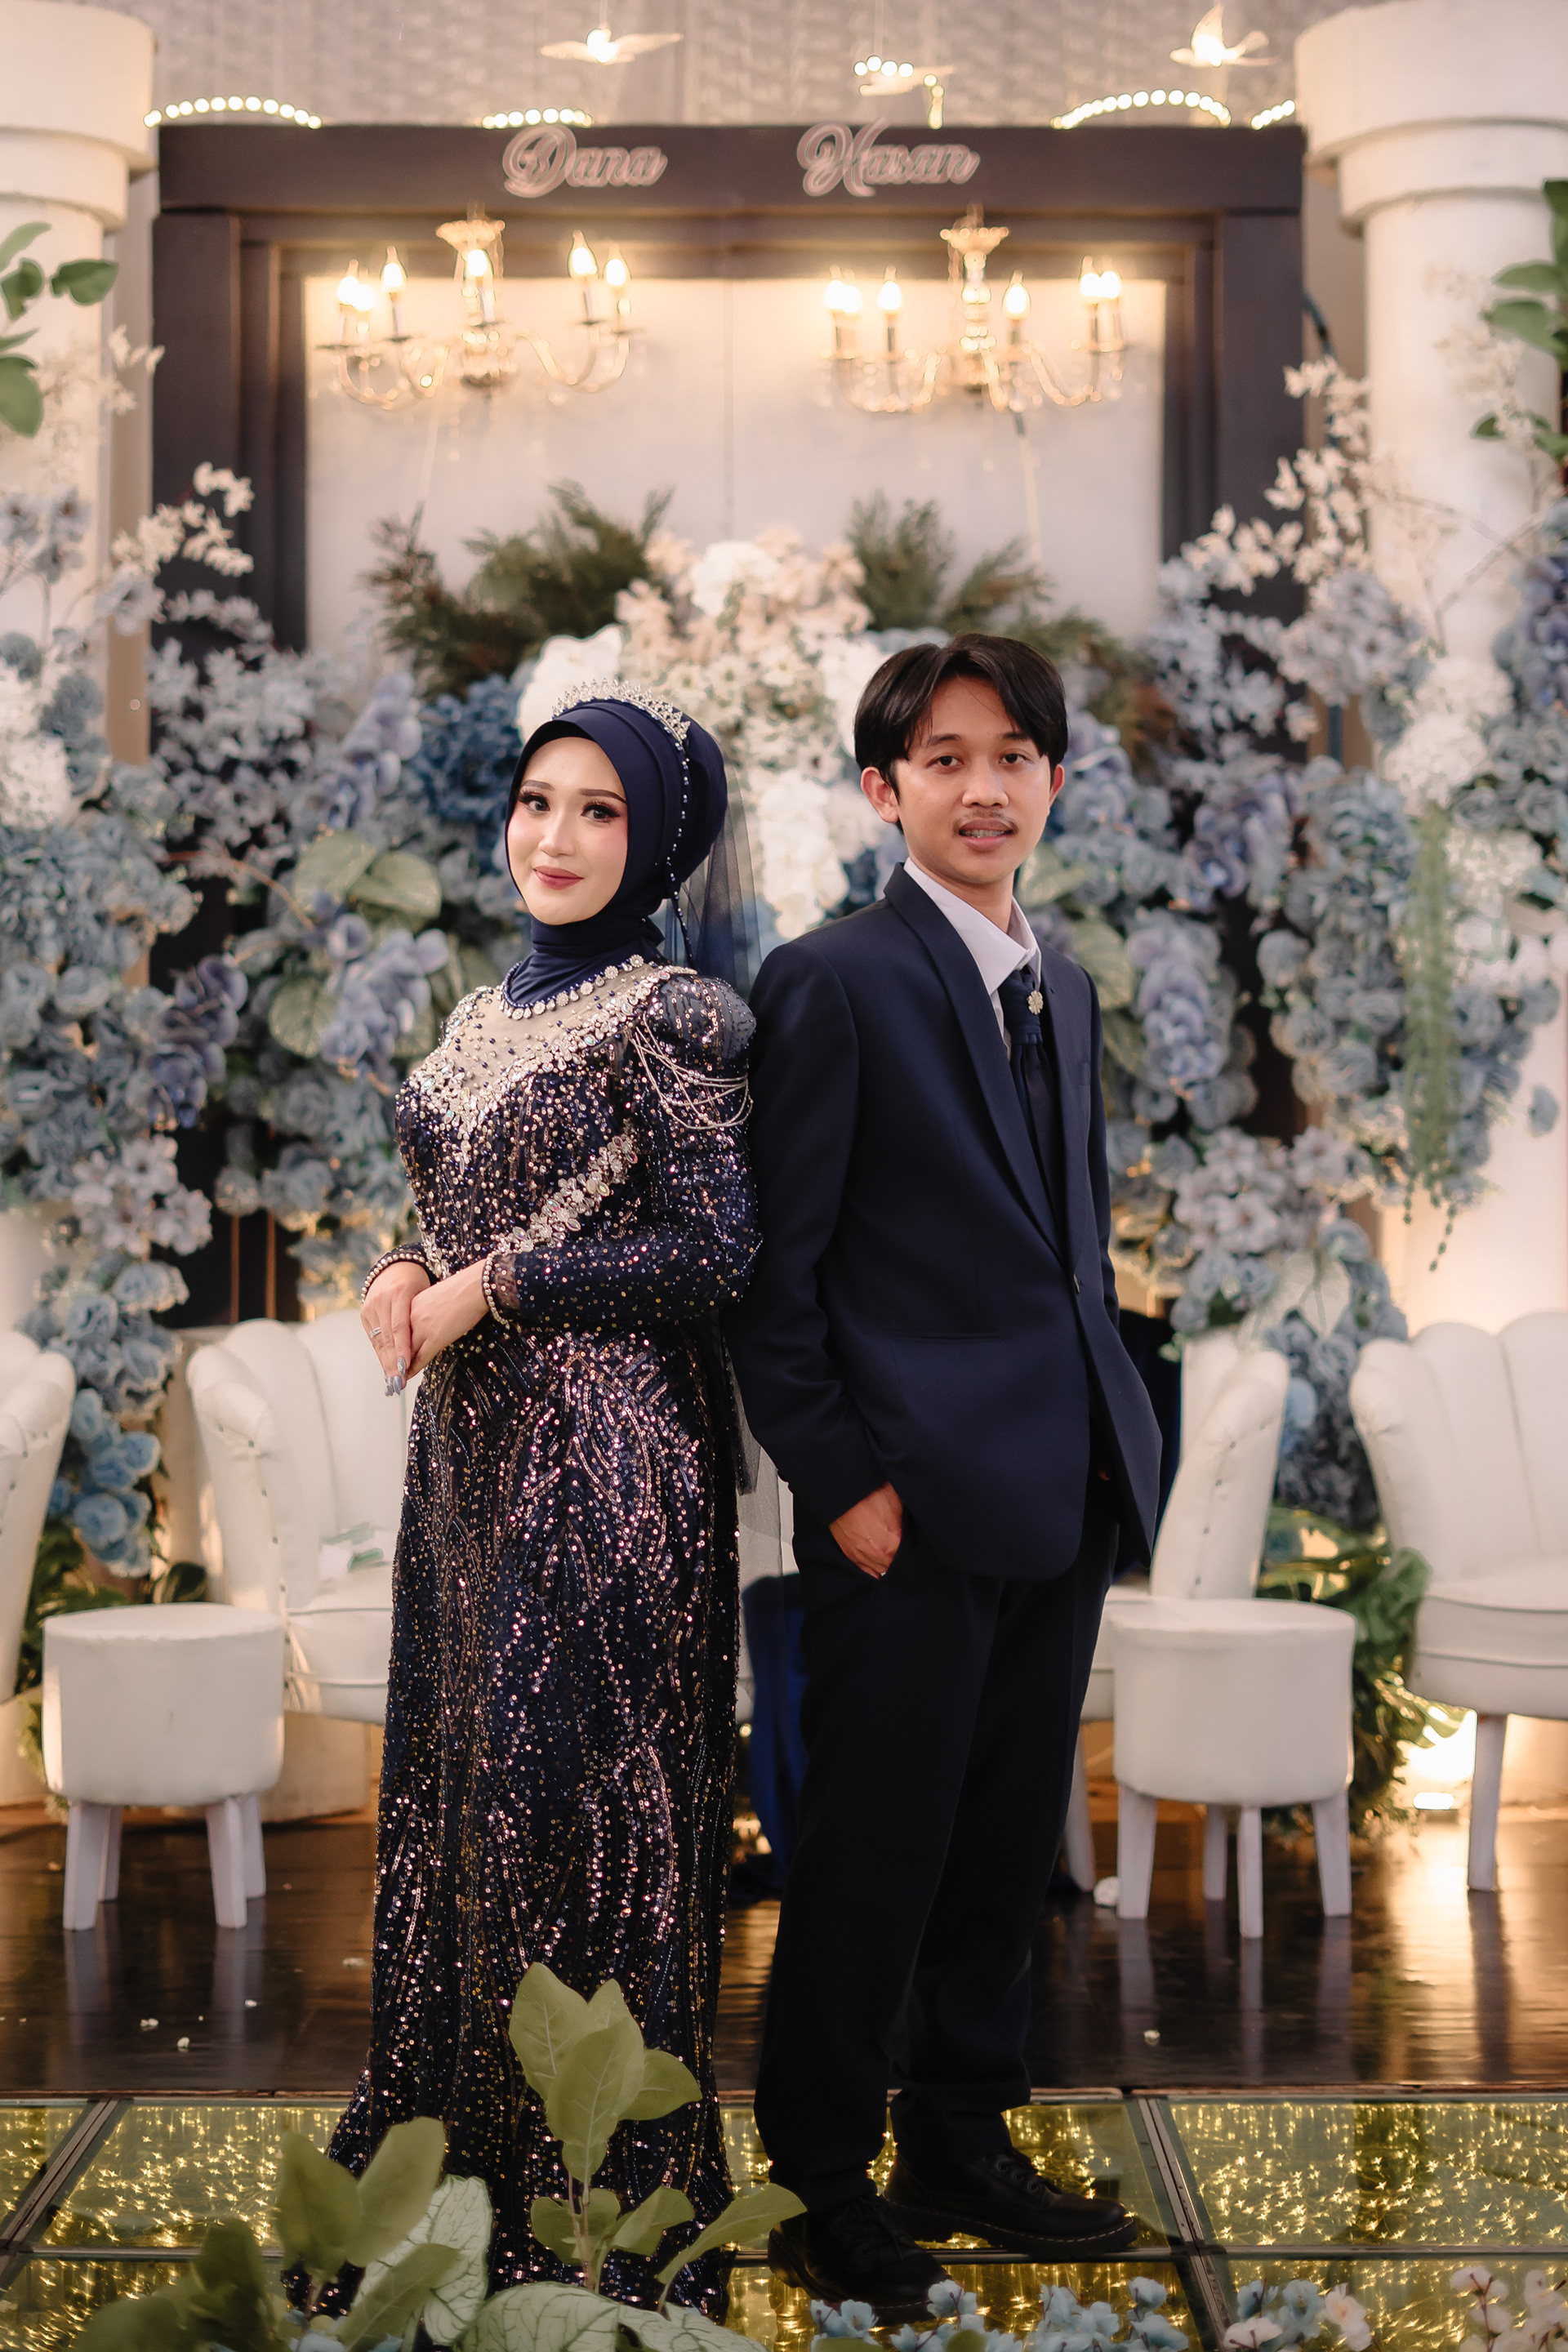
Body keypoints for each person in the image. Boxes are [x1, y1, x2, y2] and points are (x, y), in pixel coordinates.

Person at [725, 634, 1163, 2319]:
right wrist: (840, 1481)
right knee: (872, 1855)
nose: (986, 789)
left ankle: (962, 2139)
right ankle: (825, 2182)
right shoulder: (833, 981)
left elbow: (1068, 1249)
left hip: (1059, 1487)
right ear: (883, 789)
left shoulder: (1066, 981)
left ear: (1053, 778)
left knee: (1002, 1857)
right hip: (899, 1508)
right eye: (947, 759)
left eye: (1015, 758)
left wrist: (1113, 1442)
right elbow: (777, 1279)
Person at [334, 680, 760, 2308]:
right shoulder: (479, 1011)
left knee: (564, 1816)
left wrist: (500, 1285)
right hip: (469, 1456)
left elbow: (716, 1250)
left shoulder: (674, 1015)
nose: (557, 837)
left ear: (654, 842)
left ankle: (585, 2205)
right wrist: (401, 1268)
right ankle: (461, 2176)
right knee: (465, 1805)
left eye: (600, 811)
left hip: (606, 1461)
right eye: (537, 802)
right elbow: (451, 1203)